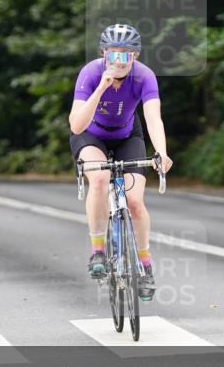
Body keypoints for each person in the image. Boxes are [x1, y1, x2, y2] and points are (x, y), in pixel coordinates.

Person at [68, 23, 172, 300]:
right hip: (91, 135)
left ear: (135, 57)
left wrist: (161, 152)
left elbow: (153, 117)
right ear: (103, 54)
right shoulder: (90, 73)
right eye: (113, 55)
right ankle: (98, 251)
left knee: (135, 202)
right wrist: (101, 88)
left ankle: (145, 267)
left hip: (128, 135)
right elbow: (77, 125)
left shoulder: (145, 77)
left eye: (126, 55)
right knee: (100, 179)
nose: (119, 61)